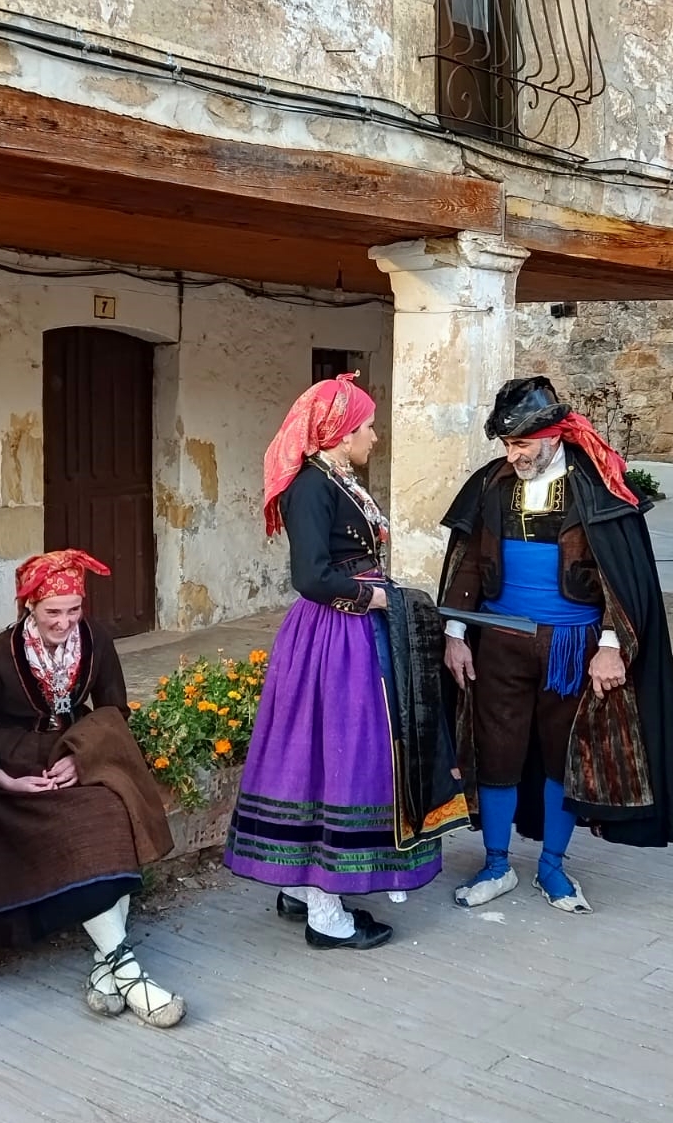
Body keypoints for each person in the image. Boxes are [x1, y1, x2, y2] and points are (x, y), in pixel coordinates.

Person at [439, 376, 673, 915]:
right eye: (509, 445)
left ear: (555, 434)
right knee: (497, 754)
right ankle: (496, 864)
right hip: (498, 642)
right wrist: (455, 633)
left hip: (572, 648)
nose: (514, 455)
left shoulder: (598, 487)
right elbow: (466, 559)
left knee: (565, 758)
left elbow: (621, 577)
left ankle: (552, 868)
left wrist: (611, 644)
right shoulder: (490, 484)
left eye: (523, 444)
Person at [223, 374, 469, 950]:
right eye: (367, 426)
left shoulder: (337, 479)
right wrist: (380, 598)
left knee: (332, 754)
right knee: (334, 755)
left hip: (353, 633)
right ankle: (324, 909)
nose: (375, 436)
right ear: (339, 432)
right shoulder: (312, 486)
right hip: (335, 637)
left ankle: (302, 884)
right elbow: (311, 576)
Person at [0, 550, 185, 1029]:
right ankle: (127, 971)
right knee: (72, 827)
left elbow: (114, 711)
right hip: (17, 773)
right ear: (29, 606)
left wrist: (81, 757)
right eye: (53, 612)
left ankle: (111, 970)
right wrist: (0, 776)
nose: (65, 622)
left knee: (114, 807)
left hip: (76, 757)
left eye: (73, 610)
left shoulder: (97, 641)